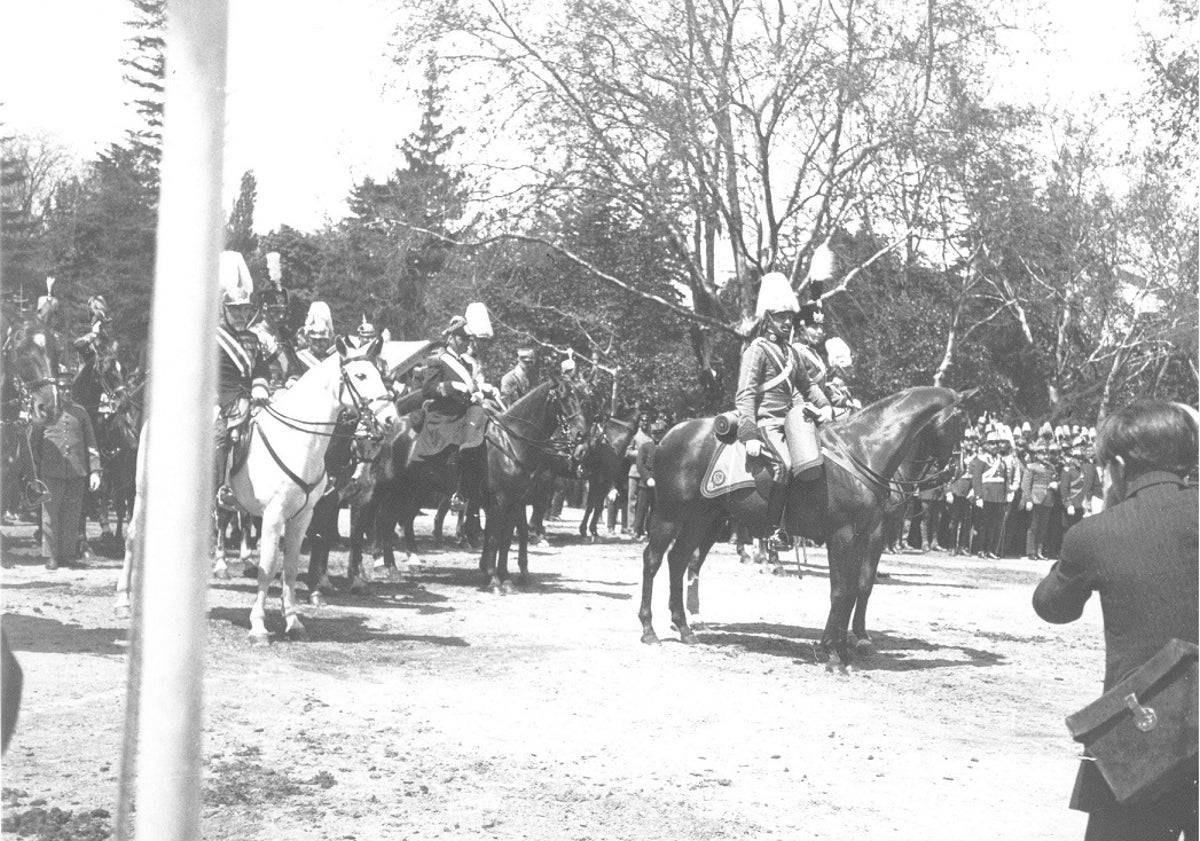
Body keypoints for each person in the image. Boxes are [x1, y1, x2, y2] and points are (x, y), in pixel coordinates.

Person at [1033, 399, 1198, 841]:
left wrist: (1103, 519)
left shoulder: (1097, 533)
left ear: (1118, 466)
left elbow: (1052, 607)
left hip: (1143, 733)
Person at [734, 272, 831, 531]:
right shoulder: (757, 350)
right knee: (785, 465)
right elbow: (745, 394)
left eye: (789, 317)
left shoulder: (791, 354)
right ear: (768, 319)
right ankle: (775, 529)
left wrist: (825, 406)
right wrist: (749, 433)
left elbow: (807, 386)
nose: (787, 322)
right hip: (767, 423)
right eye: (781, 317)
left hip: (790, 422)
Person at [410, 304, 495, 509]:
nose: (466, 343)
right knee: (459, 445)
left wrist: (483, 390)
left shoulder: (465, 363)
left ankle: (471, 488)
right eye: (462, 338)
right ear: (452, 338)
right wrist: (450, 386)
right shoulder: (437, 360)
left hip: (462, 412)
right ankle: (456, 491)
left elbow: (470, 387)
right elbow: (428, 390)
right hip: (443, 415)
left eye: (467, 339)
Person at [214, 251, 272, 511]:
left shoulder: (254, 338)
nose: (239, 315)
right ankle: (221, 487)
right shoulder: (213, 337)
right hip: (220, 397)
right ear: (225, 311)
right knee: (221, 436)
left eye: (244, 310)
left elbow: (261, 367)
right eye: (234, 311)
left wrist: (260, 384)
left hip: (250, 397)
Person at [31, 385, 101, 569]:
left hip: (76, 472)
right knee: (50, 514)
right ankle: (51, 556)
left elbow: (91, 443)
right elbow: (34, 443)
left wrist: (95, 471)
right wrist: (39, 468)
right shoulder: (44, 411)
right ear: (55, 390)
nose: (66, 392)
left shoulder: (81, 412)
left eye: (70, 388)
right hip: (51, 473)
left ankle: (68, 554)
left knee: (72, 514)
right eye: (62, 388)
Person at [970, 426, 1010, 559]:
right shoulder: (981, 460)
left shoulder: (1001, 461)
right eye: (992, 443)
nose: (995, 446)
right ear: (986, 445)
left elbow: (1005, 480)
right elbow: (976, 479)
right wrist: (978, 496)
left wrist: (1006, 496)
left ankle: (991, 550)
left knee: (994, 525)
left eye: (997, 443)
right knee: (983, 525)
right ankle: (981, 549)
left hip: (998, 498)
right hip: (986, 496)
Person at [1021, 440, 1060, 560]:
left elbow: (1057, 479)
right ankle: (1030, 552)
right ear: (1036, 455)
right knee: (1033, 526)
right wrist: (1028, 499)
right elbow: (1026, 485)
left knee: (1043, 527)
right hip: (1035, 498)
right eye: (1042, 454)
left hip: (1048, 499)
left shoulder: (1051, 467)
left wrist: (1056, 484)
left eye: (1046, 453)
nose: (1045, 456)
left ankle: (1039, 551)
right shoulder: (1032, 467)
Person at [632, 418, 664, 539]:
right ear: (651, 433)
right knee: (641, 508)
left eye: (660, 433)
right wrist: (647, 478)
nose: (657, 436)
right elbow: (640, 465)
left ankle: (651, 532)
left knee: (655, 510)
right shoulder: (645, 447)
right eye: (655, 433)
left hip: (660, 483)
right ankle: (637, 531)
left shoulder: (664, 447)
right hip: (645, 484)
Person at [625, 414, 653, 536]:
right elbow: (627, 452)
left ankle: (642, 528)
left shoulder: (652, 437)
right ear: (639, 422)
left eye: (647, 420)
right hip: (635, 472)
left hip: (647, 473)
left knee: (645, 503)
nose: (645, 422)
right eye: (642, 420)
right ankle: (631, 527)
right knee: (632, 501)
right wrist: (641, 453)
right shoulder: (635, 436)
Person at [296, 302, 336, 373]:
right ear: (309, 340)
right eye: (315, 340)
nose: (319, 344)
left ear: (328, 340)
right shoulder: (300, 358)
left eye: (323, 340)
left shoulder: (333, 359)